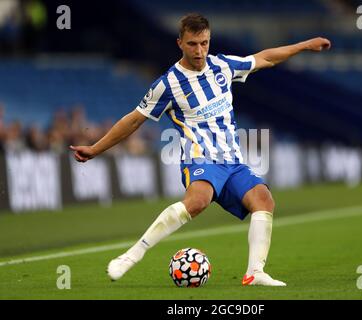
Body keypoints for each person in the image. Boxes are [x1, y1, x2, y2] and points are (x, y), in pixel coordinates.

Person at [70, 13, 331, 286]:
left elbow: (265, 58)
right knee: (198, 201)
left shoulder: (222, 66)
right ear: (180, 43)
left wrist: (303, 46)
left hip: (232, 161)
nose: (199, 51)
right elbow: (134, 119)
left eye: (204, 43)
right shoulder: (167, 84)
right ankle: (131, 255)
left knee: (264, 200)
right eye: (193, 44)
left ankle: (255, 272)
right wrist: (96, 148)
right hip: (200, 157)